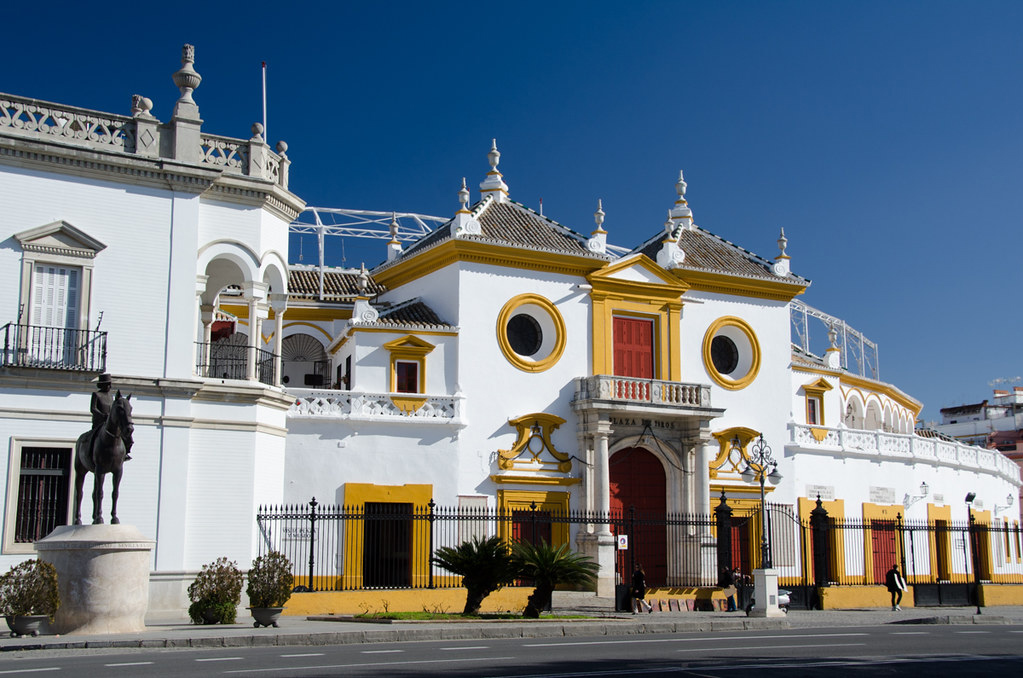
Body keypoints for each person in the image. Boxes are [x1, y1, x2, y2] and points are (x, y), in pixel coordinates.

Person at [91, 373, 133, 461]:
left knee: (123, 433)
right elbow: (93, 409)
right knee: (93, 437)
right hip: (100, 422)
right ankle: (91, 452)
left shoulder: (111, 396)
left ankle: (125, 452)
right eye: (107, 384)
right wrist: (102, 415)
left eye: (109, 384)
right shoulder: (96, 395)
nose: (109, 386)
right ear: (102, 385)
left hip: (109, 421)